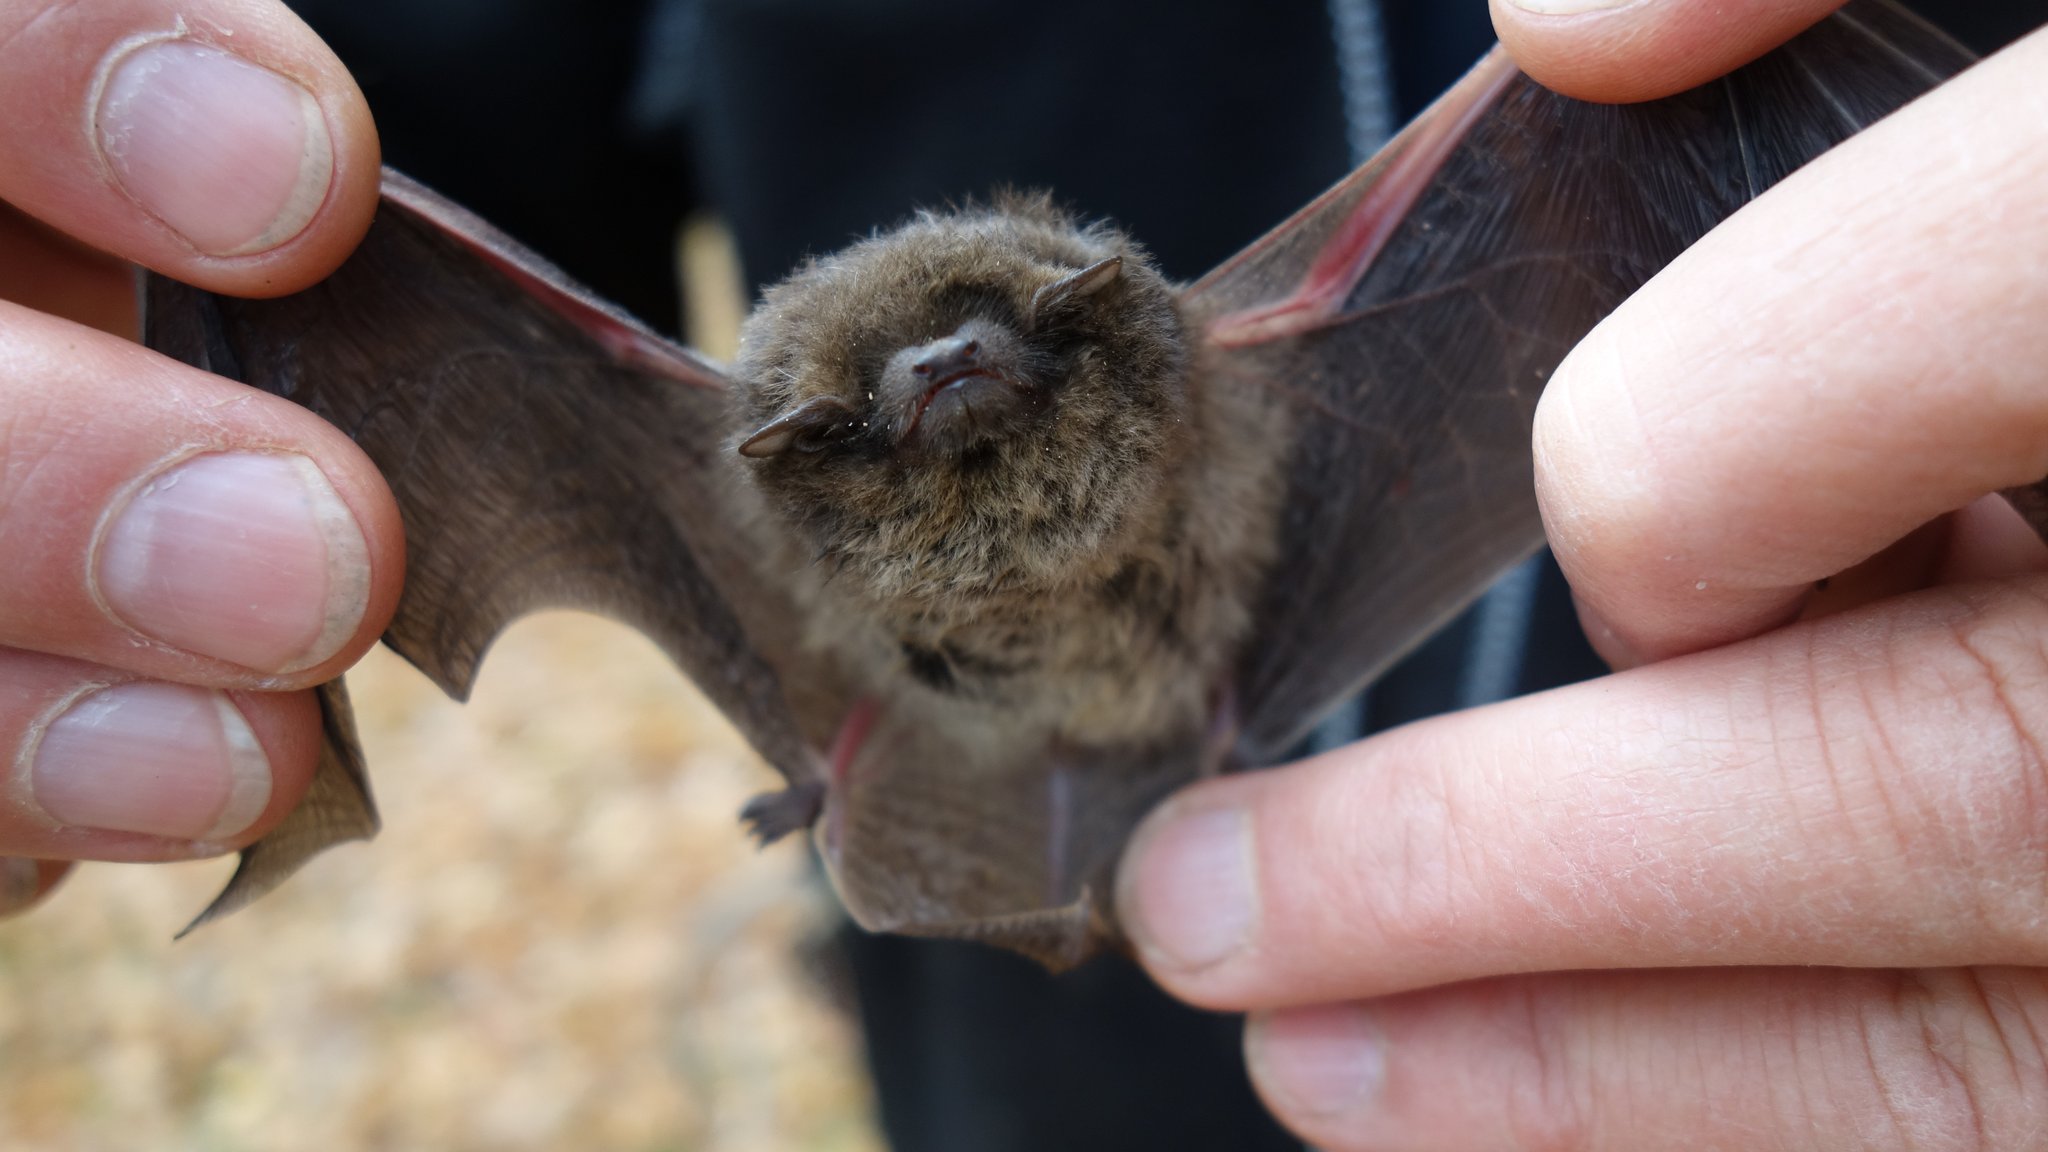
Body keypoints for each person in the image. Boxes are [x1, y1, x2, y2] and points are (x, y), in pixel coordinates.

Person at [3, 0, 2046, 1148]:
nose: (959, 385)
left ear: (1096, 314)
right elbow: (349, 184)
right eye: (900, 398)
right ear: (795, 458)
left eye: (1006, 348)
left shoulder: (1332, 334)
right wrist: (115, 273)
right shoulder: (697, 469)